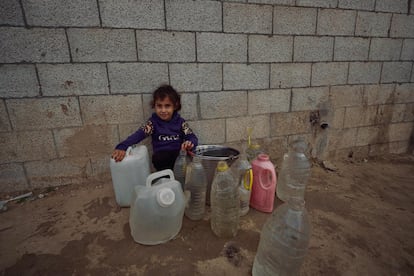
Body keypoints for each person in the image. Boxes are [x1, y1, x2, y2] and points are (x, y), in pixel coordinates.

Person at [111, 84, 198, 171]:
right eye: (159, 106)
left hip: (179, 159)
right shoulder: (153, 123)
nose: (163, 110)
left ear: (175, 106)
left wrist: (189, 144)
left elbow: (191, 136)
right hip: (162, 160)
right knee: (161, 158)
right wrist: (122, 147)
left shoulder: (180, 122)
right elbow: (138, 135)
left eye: (167, 106)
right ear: (154, 106)